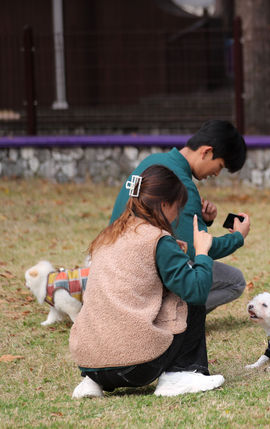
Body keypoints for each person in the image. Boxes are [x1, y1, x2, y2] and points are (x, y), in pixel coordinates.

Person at [70, 164, 250, 398]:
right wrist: (203, 253)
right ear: (165, 205)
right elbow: (196, 290)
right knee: (192, 278)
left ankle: (92, 383)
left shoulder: (108, 234)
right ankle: (182, 372)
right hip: (136, 367)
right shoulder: (158, 240)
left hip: (90, 362)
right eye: (179, 208)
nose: (178, 216)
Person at [111, 119, 250, 314]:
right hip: (143, 273)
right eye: (219, 166)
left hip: (115, 262)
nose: (217, 174)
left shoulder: (152, 162)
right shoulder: (182, 183)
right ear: (207, 152)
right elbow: (197, 249)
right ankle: (168, 314)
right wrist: (237, 237)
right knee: (235, 282)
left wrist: (203, 220)